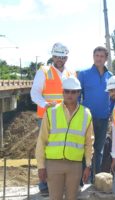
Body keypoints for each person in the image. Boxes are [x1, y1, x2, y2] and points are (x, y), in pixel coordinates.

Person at [35, 76, 94, 200]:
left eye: (73, 92)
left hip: (75, 165)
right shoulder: (51, 112)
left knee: (72, 198)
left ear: (78, 93)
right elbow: (42, 140)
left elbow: (89, 142)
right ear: (62, 92)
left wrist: (88, 165)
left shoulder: (86, 114)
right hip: (53, 164)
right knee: (55, 198)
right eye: (67, 91)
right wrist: (41, 166)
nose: (70, 94)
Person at [30, 42, 76, 194]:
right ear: (52, 56)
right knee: (44, 149)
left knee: (60, 150)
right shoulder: (44, 71)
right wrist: (45, 104)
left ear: (66, 58)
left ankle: (58, 183)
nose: (59, 59)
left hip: (65, 118)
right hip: (47, 117)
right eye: (56, 56)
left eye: (62, 57)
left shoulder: (71, 73)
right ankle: (44, 185)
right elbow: (35, 93)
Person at [78, 46, 113, 180]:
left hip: (103, 119)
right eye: (96, 55)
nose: (99, 58)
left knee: (99, 150)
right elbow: (77, 95)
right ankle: (82, 180)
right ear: (93, 57)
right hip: (86, 119)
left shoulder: (110, 77)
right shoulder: (84, 74)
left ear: (106, 58)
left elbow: (114, 98)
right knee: (85, 149)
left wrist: (109, 112)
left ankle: (95, 180)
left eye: (102, 56)